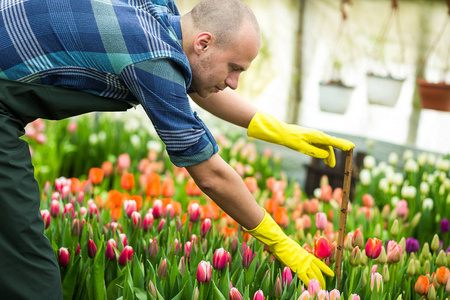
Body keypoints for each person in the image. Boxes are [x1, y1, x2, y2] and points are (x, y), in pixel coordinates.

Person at [0, 0, 354, 298]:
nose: (234, 82)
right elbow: (211, 175)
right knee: (28, 267)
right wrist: (281, 244)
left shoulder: (162, 14)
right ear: (203, 42)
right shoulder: (153, 58)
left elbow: (195, 81)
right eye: (234, 68)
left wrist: (280, 131)